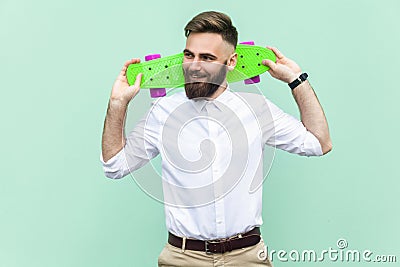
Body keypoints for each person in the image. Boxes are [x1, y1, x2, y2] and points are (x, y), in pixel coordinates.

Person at [101, 11, 332, 267]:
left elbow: (319, 143)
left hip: (248, 257)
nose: (194, 65)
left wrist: (295, 79)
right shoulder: (163, 112)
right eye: (189, 55)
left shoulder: (256, 109)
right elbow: (115, 166)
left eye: (207, 58)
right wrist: (118, 103)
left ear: (231, 62)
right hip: (183, 258)